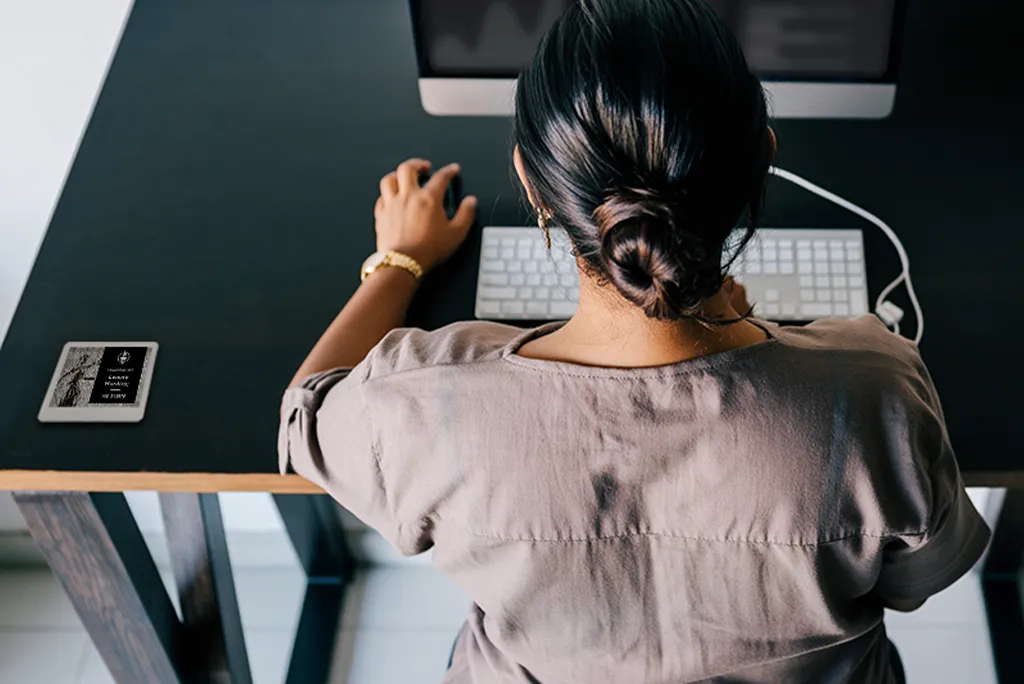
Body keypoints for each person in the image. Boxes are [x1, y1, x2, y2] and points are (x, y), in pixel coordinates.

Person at [278, 0, 990, 681]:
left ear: (530, 182)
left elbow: (302, 417)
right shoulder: (877, 395)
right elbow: (913, 585)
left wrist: (397, 263)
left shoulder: (422, 407)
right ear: (761, 160)